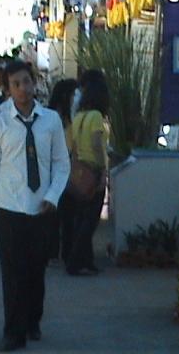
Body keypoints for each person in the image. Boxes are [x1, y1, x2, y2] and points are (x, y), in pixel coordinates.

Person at [0, 61, 70, 352]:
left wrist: (53, 196)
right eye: (16, 84)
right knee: (12, 274)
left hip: (41, 208)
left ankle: (32, 319)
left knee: (35, 271)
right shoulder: (0, 123)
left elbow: (61, 164)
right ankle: (13, 332)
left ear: (34, 83)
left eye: (26, 82)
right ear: (8, 89)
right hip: (9, 207)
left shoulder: (51, 121)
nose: (23, 89)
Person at [65, 70, 109, 276]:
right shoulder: (96, 117)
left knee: (81, 216)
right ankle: (76, 260)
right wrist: (102, 170)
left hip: (80, 170)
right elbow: (97, 144)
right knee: (90, 220)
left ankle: (86, 260)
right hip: (93, 170)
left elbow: (72, 146)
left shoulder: (79, 117)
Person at [47, 78, 78, 263]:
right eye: (74, 94)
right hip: (54, 171)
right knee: (57, 214)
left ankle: (64, 251)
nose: (76, 97)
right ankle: (54, 251)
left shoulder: (69, 117)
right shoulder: (53, 118)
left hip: (67, 169)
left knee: (66, 214)